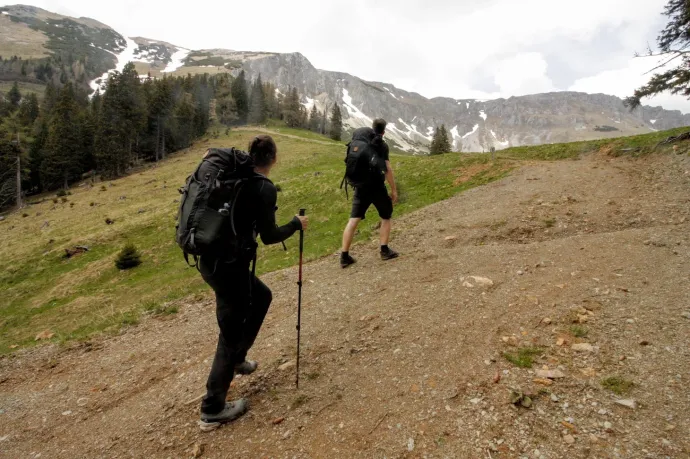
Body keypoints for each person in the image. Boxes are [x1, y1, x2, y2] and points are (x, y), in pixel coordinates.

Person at [197, 135, 308, 428]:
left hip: (211, 261)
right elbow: (270, 236)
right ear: (273, 158)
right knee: (229, 332)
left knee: (261, 296)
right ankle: (212, 408)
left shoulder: (235, 177)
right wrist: (296, 225)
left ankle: (238, 359)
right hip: (228, 267)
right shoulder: (262, 187)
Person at [340, 118, 399, 268]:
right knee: (386, 216)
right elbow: (387, 169)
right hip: (377, 187)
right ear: (384, 131)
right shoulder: (382, 146)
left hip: (360, 187)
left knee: (353, 220)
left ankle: (344, 256)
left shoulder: (361, 142)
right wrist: (393, 189)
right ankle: (384, 251)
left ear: (372, 128)